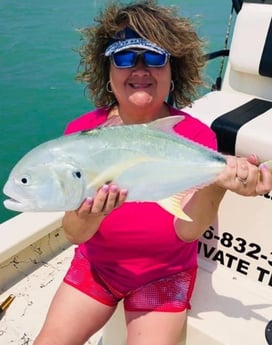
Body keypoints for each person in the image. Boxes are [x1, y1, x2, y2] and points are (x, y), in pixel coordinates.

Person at [34, 1, 272, 345]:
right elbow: (74, 233)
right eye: (126, 58)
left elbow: (188, 232)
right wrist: (91, 215)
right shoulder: (83, 136)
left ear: (173, 70)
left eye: (155, 58)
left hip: (164, 278)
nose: (140, 69)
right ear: (109, 72)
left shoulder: (195, 137)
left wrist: (219, 183)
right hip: (97, 269)